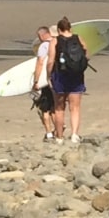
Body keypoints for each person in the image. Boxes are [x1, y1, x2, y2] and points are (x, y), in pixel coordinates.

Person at [47, 16, 88, 144]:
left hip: (60, 76)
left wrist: (48, 76)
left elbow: (50, 61)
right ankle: (75, 134)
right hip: (76, 76)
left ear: (59, 29)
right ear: (70, 28)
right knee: (75, 108)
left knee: (59, 108)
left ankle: (59, 137)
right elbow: (86, 53)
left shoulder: (55, 41)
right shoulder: (78, 38)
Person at [32, 26, 55, 141]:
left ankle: (49, 133)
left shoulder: (44, 46)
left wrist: (36, 81)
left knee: (45, 108)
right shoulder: (58, 43)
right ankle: (60, 129)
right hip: (59, 79)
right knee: (56, 107)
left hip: (47, 81)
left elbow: (40, 63)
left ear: (41, 35)